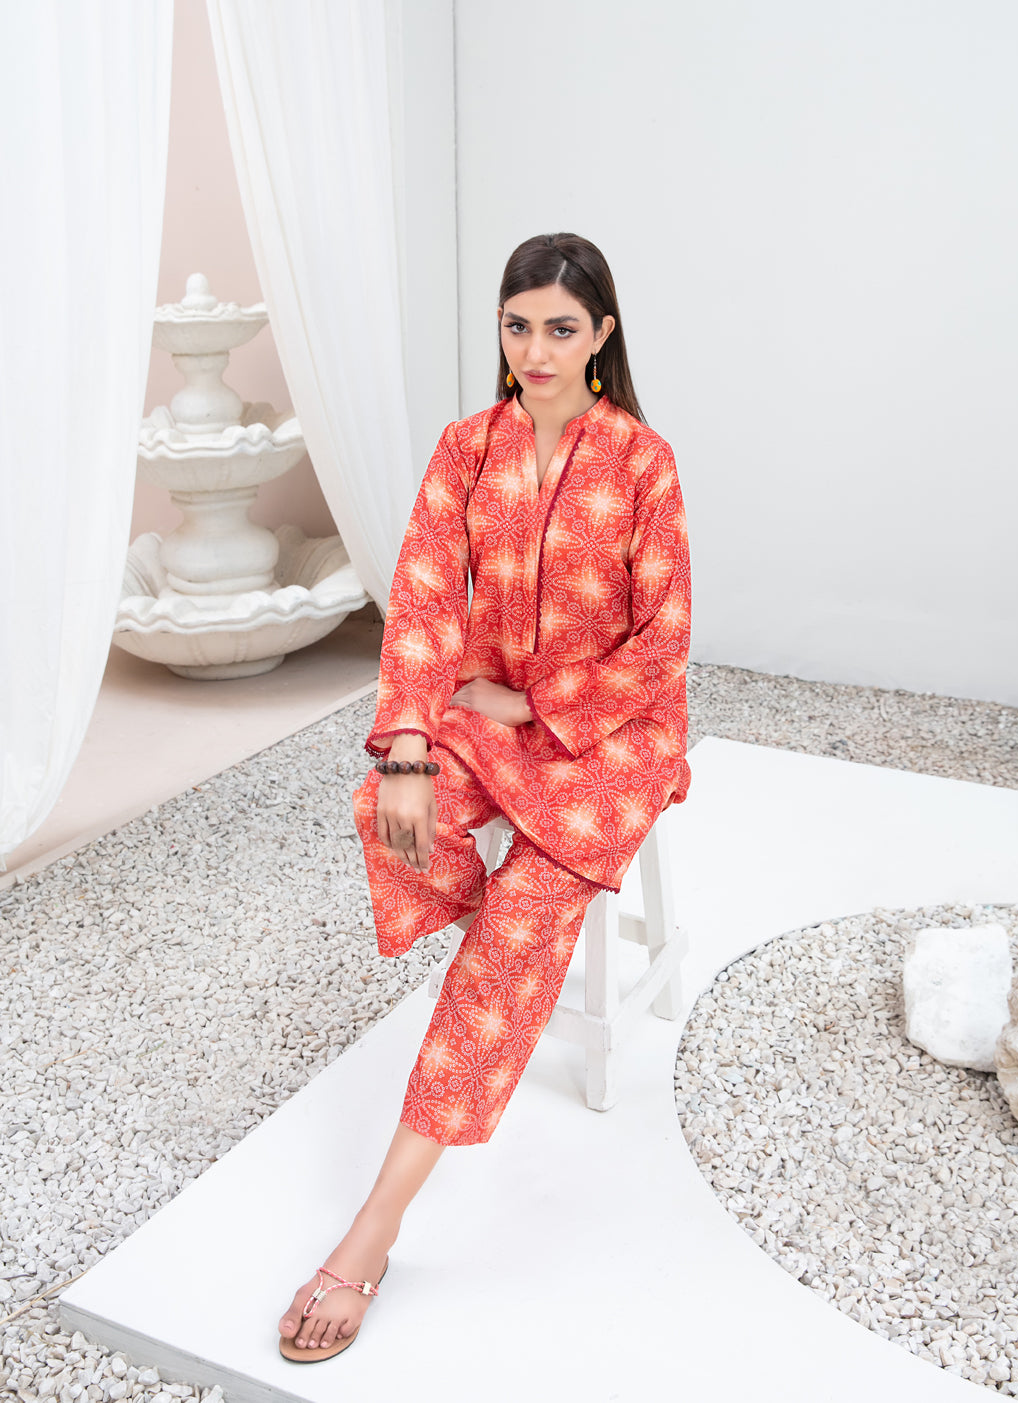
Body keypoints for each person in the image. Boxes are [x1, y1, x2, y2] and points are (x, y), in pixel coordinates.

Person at [278, 232, 692, 1360]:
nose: (535, 349)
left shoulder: (641, 462)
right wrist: (412, 744)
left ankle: (374, 1225)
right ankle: (505, 956)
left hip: (610, 738)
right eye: (517, 325)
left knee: (512, 933)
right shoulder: (467, 449)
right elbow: (421, 602)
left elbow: (662, 648)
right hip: (487, 710)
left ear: (601, 334)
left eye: (560, 327)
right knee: (382, 806)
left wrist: (531, 703)